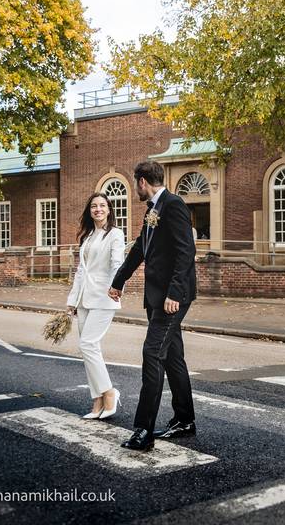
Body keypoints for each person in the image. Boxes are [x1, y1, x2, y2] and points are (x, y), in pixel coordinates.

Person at [109, 160, 197, 451]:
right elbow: (140, 249)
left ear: (142, 181)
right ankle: (184, 420)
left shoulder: (173, 205)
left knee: (151, 353)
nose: (136, 188)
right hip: (158, 297)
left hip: (171, 299)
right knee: (172, 357)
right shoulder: (152, 210)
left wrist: (174, 293)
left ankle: (143, 430)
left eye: (136, 183)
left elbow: (186, 252)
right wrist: (118, 280)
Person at [67, 193, 126, 419]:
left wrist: (116, 287)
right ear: (89, 210)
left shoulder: (116, 234)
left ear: (109, 210)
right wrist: (72, 301)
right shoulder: (88, 236)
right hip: (84, 299)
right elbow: (81, 271)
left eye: (102, 205)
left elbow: (117, 265)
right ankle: (97, 401)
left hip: (105, 297)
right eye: (94, 206)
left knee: (88, 344)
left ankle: (109, 392)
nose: (98, 209)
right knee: (89, 350)